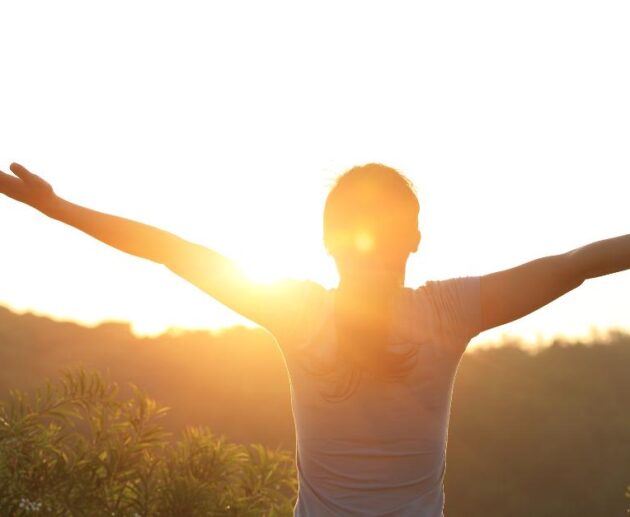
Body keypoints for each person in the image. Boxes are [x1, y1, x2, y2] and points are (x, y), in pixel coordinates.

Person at [0, 161, 628, 516]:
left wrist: (61, 209)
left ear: (329, 241)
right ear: (413, 238)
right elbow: (577, 263)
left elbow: (174, 252)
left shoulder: (300, 314)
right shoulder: (447, 311)